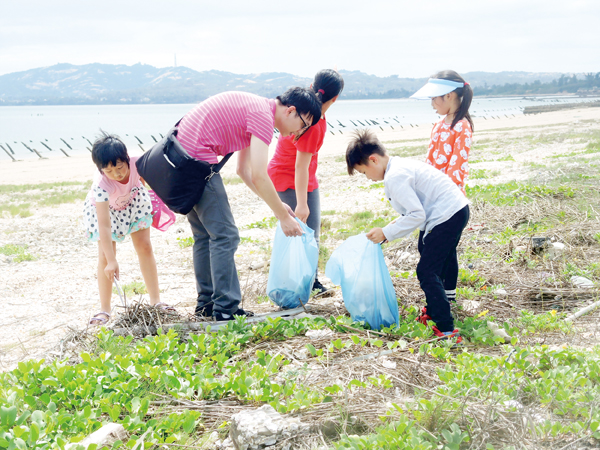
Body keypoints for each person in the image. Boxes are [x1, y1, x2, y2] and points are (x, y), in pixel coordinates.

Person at [175, 88, 322, 321]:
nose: (300, 132)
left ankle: (206, 306)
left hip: (180, 159)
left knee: (205, 236)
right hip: (196, 161)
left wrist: (278, 207)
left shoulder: (256, 109)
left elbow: (244, 171)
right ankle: (226, 309)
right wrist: (282, 217)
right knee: (225, 235)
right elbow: (260, 176)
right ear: (291, 111)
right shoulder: (263, 117)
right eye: (303, 124)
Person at [345, 129, 469, 342]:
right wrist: (387, 231)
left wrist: (386, 232)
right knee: (436, 254)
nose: (367, 178)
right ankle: (445, 302)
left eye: (363, 172)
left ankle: (445, 326)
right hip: (456, 208)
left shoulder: (394, 177)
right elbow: (414, 213)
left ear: (373, 160)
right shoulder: (399, 165)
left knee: (426, 271)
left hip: (445, 214)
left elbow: (416, 214)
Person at [268, 69, 344, 296]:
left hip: (301, 176)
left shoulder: (307, 111)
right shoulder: (314, 122)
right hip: (288, 176)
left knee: (311, 231)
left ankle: (310, 280)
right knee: (301, 231)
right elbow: (299, 166)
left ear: (312, 85)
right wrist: (302, 203)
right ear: (335, 98)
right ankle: (300, 283)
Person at [83, 133, 171, 325]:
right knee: (106, 257)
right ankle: (104, 309)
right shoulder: (101, 184)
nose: (117, 174)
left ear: (126, 159)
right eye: (109, 171)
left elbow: (146, 180)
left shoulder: (138, 162)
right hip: (107, 212)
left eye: (120, 167)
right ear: (100, 169)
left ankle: (156, 301)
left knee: (145, 247)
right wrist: (112, 262)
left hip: (134, 202)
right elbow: (104, 225)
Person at [411, 70, 474, 197]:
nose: (432, 104)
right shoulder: (439, 124)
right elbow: (429, 161)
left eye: (434, 99)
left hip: (449, 196)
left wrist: (443, 194)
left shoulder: (462, 126)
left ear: (449, 96)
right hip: (433, 192)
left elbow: (457, 167)